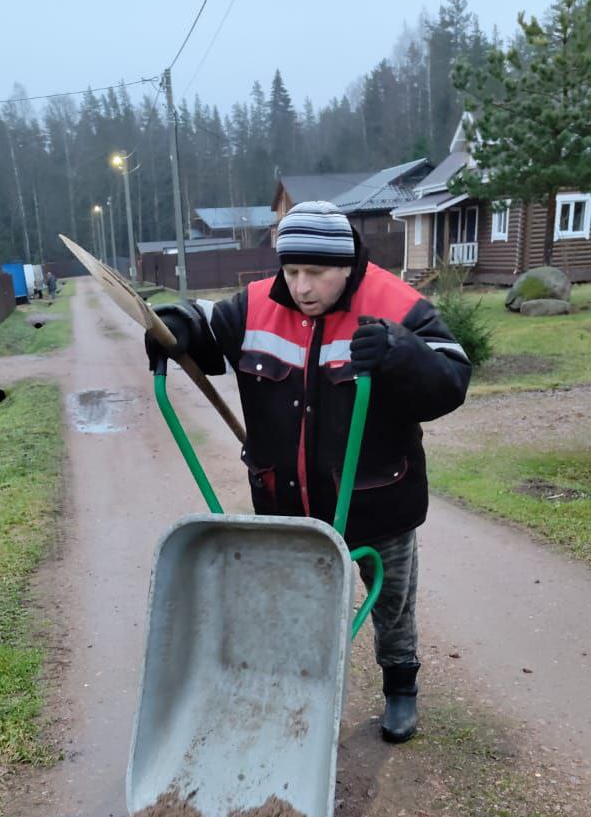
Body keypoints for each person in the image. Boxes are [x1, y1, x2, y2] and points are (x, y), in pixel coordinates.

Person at [145, 201, 471, 743]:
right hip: (287, 504)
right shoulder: (256, 306)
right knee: (291, 602)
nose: (301, 287)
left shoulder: (396, 304)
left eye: (316, 272)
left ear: (346, 266)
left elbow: (452, 381)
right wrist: (175, 324)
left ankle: (400, 687)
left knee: (391, 600)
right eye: (292, 270)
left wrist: (399, 351)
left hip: (378, 500)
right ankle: (296, 689)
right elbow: (204, 323)